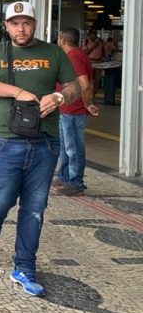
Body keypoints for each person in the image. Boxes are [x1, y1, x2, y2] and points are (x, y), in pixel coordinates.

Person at [0, 1, 79, 297]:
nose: (21, 28)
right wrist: (17, 91)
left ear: (35, 23)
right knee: (1, 201)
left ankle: (24, 267)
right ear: (6, 26)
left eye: (26, 22)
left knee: (34, 209)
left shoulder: (53, 52)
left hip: (45, 142)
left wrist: (58, 96)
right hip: (6, 140)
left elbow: (76, 86)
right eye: (15, 23)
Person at [55, 27, 99, 196]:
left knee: (73, 148)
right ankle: (65, 177)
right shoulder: (79, 55)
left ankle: (75, 183)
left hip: (73, 110)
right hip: (66, 108)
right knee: (66, 146)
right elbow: (91, 83)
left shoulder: (73, 57)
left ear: (62, 40)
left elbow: (85, 84)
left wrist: (87, 104)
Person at [82, 28, 104, 97]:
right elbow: (85, 52)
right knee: (90, 78)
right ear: (89, 35)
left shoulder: (100, 41)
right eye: (92, 35)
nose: (94, 36)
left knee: (97, 79)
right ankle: (90, 93)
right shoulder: (86, 41)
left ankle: (94, 92)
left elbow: (103, 50)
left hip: (99, 61)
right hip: (90, 61)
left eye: (95, 34)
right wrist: (93, 46)